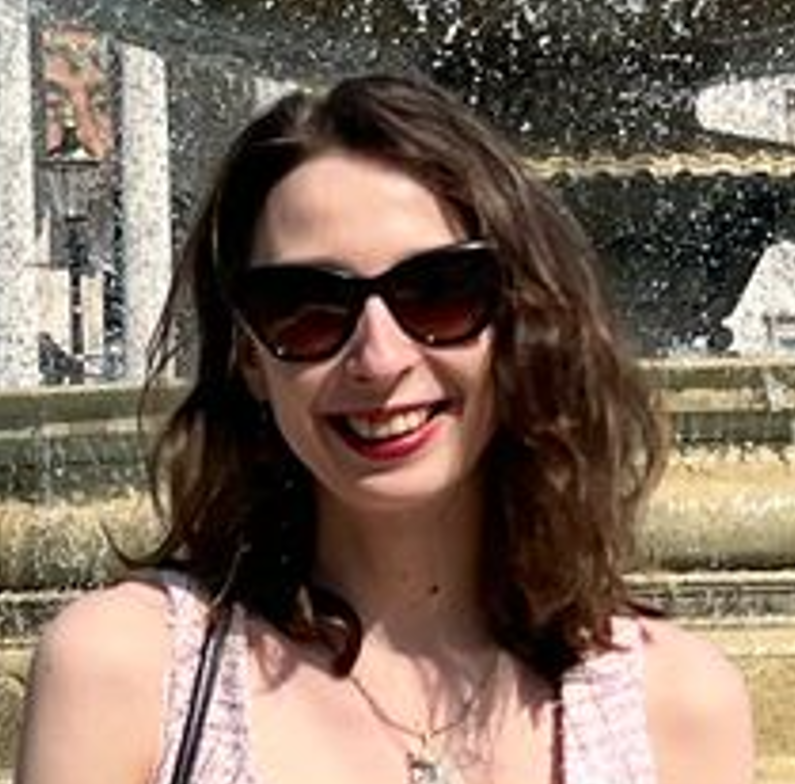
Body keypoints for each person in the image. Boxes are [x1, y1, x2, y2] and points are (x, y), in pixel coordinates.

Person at [16, 72, 754, 784]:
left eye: (438, 292)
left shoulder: (676, 707)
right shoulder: (129, 673)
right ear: (249, 356)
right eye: (306, 307)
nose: (378, 358)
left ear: (521, 319)